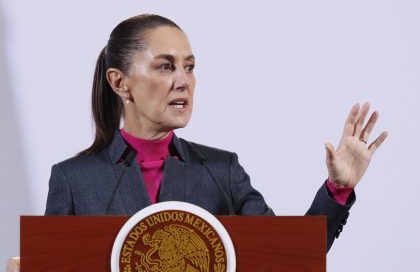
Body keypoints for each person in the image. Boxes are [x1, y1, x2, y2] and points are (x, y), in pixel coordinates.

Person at [7, 14, 388, 272]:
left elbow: (290, 259)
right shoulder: (74, 179)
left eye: (189, 67)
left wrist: (339, 188)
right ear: (120, 83)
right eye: (165, 66)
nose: (184, 81)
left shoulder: (222, 171)